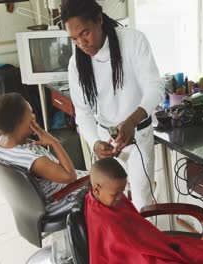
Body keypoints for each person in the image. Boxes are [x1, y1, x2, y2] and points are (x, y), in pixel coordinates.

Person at [61, 0, 163, 211]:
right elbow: (83, 112)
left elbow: (155, 88)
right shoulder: (76, 63)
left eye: (85, 33)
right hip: (106, 138)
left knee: (142, 203)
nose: (82, 43)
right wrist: (95, 142)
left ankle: (142, 242)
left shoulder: (133, 40)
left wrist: (132, 121)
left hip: (138, 136)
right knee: (109, 204)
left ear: (99, 19)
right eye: (74, 39)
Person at [86, 157, 203, 264]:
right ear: (96, 189)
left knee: (201, 250)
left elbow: (135, 227)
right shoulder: (102, 221)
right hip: (139, 256)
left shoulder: (103, 195)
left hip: (148, 243)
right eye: (115, 194)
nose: (119, 198)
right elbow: (121, 253)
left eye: (121, 192)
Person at [0, 93, 88, 200]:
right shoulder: (32, 160)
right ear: (18, 123)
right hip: (63, 195)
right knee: (106, 182)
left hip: (62, 185)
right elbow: (70, 177)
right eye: (31, 113)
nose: (34, 116)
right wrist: (54, 142)